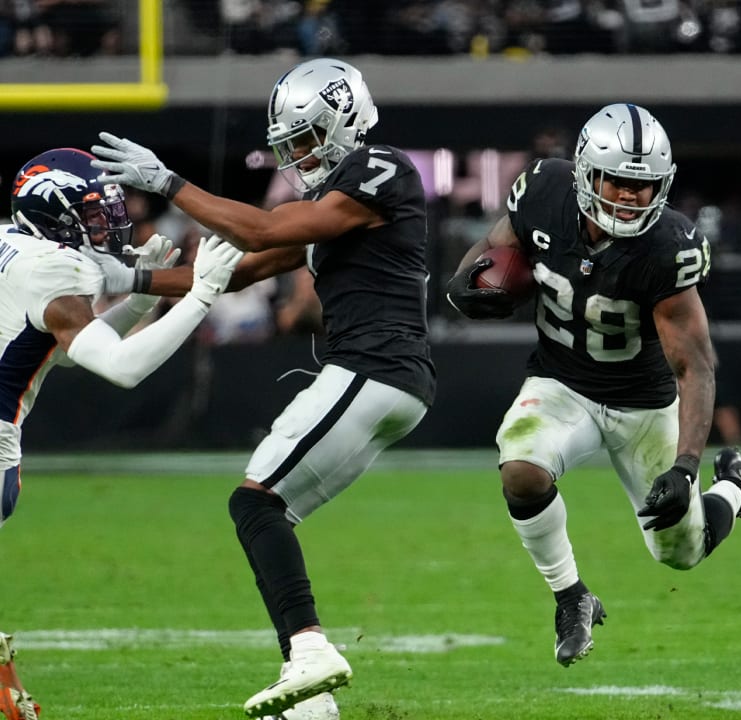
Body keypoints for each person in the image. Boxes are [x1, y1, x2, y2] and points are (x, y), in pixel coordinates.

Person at [90, 57, 434, 720]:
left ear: (344, 120)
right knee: (265, 509)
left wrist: (171, 183)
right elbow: (235, 272)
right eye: (290, 144)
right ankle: (311, 701)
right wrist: (120, 278)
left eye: (306, 139)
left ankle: (308, 652)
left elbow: (266, 229)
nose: (297, 155)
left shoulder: (379, 169)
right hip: (385, 378)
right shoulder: (334, 203)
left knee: (256, 504)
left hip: (373, 368)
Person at [444, 102, 741, 668]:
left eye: (643, 186)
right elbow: (501, 246)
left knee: (681, 552)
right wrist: (466, 281)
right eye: (618, 181)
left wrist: (685, 467)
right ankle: (571, 596)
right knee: (521, 466)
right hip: (560, 383)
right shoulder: (543, 191)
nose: (628, 196)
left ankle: (735, 488)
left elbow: (695, 366)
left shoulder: (667, 246)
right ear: (584, 173)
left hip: (643, 403)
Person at [0, 147, 243, 719]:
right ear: (53, 212)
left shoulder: (16, 248)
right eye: (90, 212)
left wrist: (138, 299)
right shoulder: (57, 268)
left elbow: (56, 349)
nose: (106, 224)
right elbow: (120, 367)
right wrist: (201, 294)